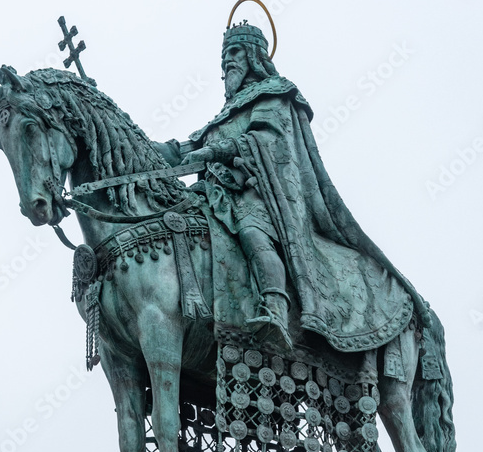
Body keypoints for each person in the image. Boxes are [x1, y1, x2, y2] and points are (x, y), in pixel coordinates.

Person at [156, 20, 430, 356]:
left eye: (235, 51)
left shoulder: (274, 93)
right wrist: (140, 145)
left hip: (259, 195)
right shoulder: (223, 115)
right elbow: (186, 147)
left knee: (252, 232)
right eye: (225, 55)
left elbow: (267, 139)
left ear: (254, 56)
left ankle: (275, 310)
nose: (227, 60)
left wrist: (218, 152)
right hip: (213, 195)